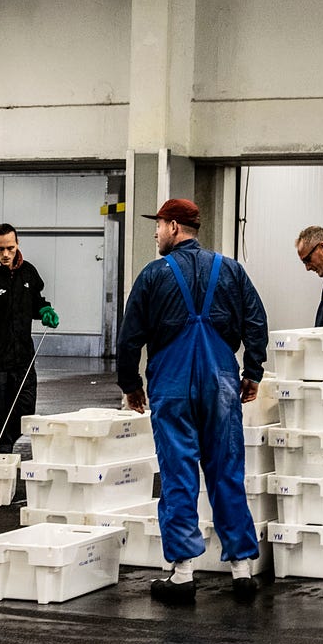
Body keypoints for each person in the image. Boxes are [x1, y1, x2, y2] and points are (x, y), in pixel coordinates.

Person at [117, 198, 268, 604]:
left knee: (179, 473)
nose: (155, 232)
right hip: (220, 381)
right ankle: (242, 571)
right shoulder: (232, 271)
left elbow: (130, 336)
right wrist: (252, 372)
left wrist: (130, 383)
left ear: (174, 227)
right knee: (226, 470)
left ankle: (183, 575)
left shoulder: (153, 275)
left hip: (173, 382)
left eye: (159, 224)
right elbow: (256, 321)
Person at [0, 223, 59, 454]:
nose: (5, 254)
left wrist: (45, 310)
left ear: (17, 245)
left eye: (10, 248)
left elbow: (35, 300)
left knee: (25, 409)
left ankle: (1, 445)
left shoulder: (28, 273)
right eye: (0, 249)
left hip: (23, 358)